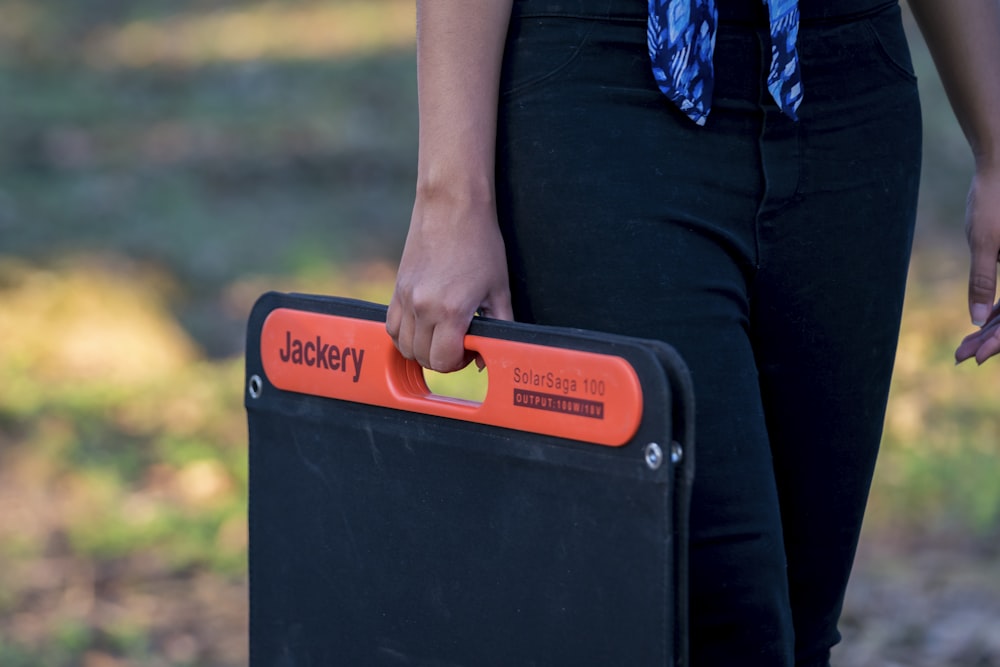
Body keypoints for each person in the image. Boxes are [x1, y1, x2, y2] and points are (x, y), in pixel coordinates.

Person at [385, 0, 1000, 664]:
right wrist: (451, 197)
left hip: (848, 92)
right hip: (606, 85)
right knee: (712, 613)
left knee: (799, 621)